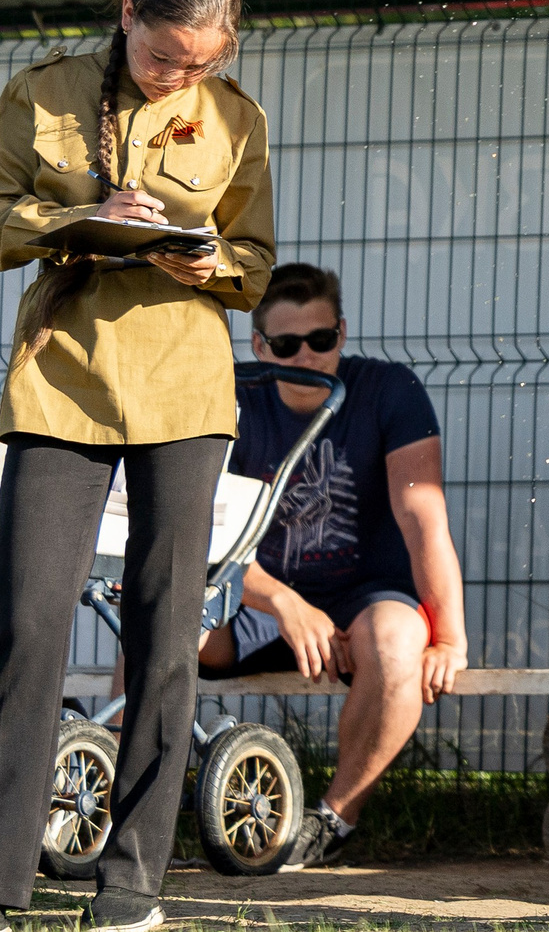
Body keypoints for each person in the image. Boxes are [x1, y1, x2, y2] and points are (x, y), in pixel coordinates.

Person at [0, 0, 276, 932]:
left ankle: (131, 888)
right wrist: (78, 221)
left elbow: (255, 268)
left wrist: (207, 259)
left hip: (185, 395)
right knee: (28, 632)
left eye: (204, 63)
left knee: (165, 641)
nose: (184, 77)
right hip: (60, 388)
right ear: (128, 15)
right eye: (169, 55)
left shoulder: (238, 120)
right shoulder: (39, 92)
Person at [196, 263, 468, 870]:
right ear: (259, 345)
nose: (306, 356)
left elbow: (422, 516)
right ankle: (108, 805)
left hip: (362, 599)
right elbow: (200, 536)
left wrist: (449, 636)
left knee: (401, 641)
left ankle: (327, 823)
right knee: (156, 619)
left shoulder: (388, 390)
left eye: (320, 340)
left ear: (341, 334)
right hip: (254, 598)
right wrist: (283, 602)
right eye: (287, 344)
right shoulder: (228, 397)